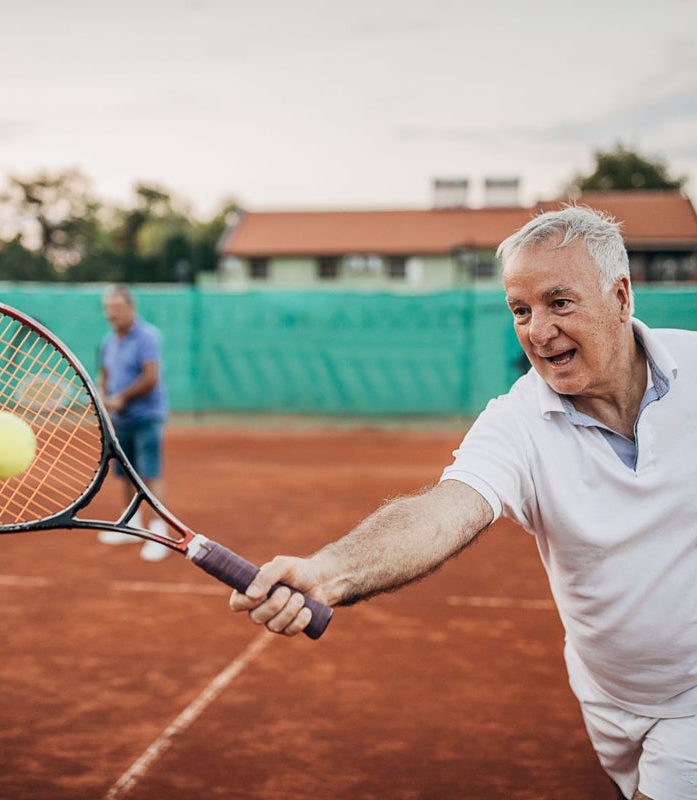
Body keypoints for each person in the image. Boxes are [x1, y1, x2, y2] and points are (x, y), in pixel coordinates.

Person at [229, 206, 697, 800]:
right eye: (520, 311)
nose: (538, 332)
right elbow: (444, 510)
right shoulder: (517, 422)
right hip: (604, 692)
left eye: (559, 303)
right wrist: (329, 571)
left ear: (621, 296)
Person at [97, 284, 170, 562]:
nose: (111, 314)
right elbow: (105, 374)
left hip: (146, 417)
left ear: (131, 308)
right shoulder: (108, 341)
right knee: (126, 474)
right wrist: (101, 393)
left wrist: (122, 397)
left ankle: (159, 533)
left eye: (116, 308)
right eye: (108, 308)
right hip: (120, 420)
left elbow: (151, 377)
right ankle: (131, 525)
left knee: (149, 475)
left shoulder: (148, 337)